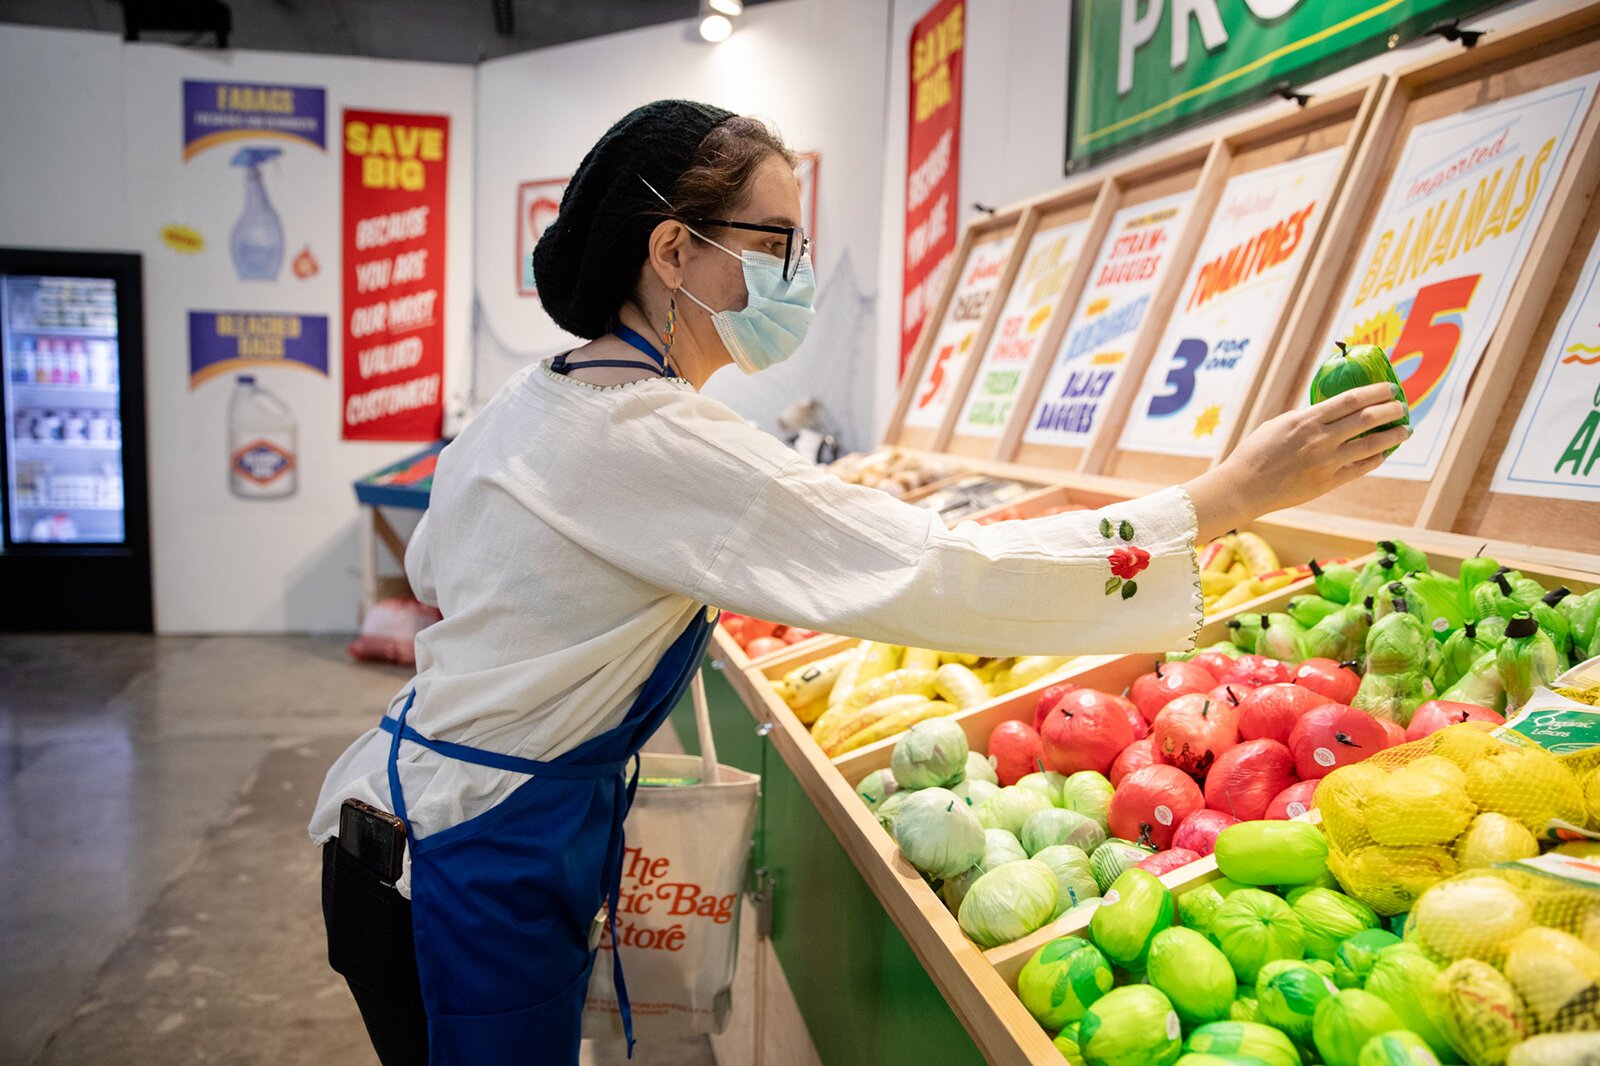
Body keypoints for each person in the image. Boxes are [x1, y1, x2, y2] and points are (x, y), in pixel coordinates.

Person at [310, 99, 1408, 1066]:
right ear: (674, 252)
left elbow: (439, 570)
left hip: (412, 826)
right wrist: (1215, 501)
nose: (798, 274)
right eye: (775, 243)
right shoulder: (650, 436)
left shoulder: (540, 397)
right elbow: (936, 568)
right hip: (467, 860)